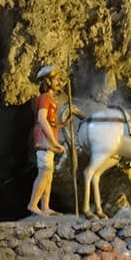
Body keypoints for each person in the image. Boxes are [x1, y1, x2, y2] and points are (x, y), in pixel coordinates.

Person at [26, 66, 74, 216]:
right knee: (44, 172)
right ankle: (33, 204)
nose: (59, 82)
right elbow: (42, 119)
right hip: (44, 139)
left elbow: (50, 122)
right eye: (56, 79)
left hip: (48, 138)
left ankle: (45, 206)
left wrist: (63, 125)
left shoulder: (50, 98)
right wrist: (54, 141)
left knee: (49, 174)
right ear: (48, 81)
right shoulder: (44, 98)